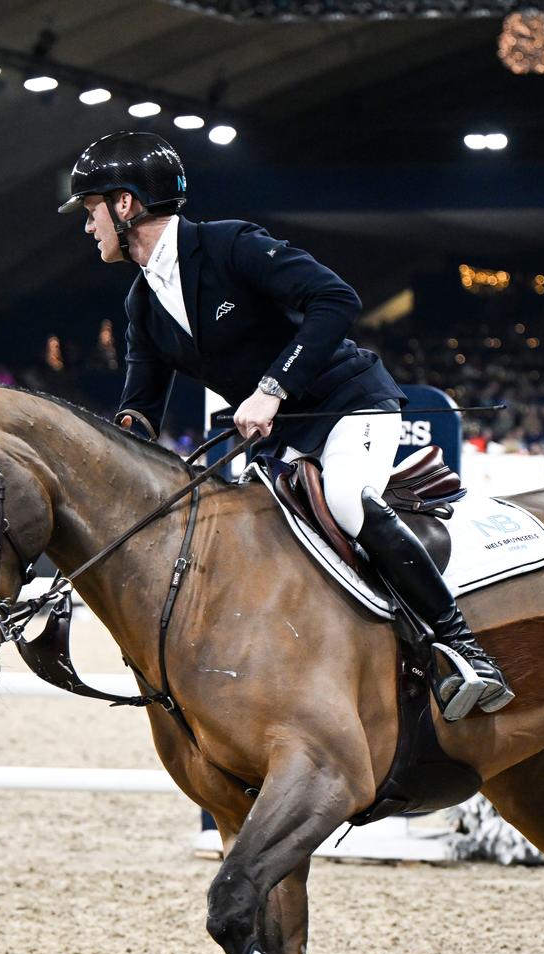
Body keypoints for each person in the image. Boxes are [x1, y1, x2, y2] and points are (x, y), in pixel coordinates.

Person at [60, 131, 510, 720]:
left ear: (124, 206)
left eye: (91, 210)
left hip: (349, 405)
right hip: (284, 441)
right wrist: (109, 455)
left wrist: (273, 388)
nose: (86, 226)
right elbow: (140, 408)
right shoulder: (142, 305)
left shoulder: (230, 246)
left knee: (348, 500)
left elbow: (336, 299)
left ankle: (461, 648)